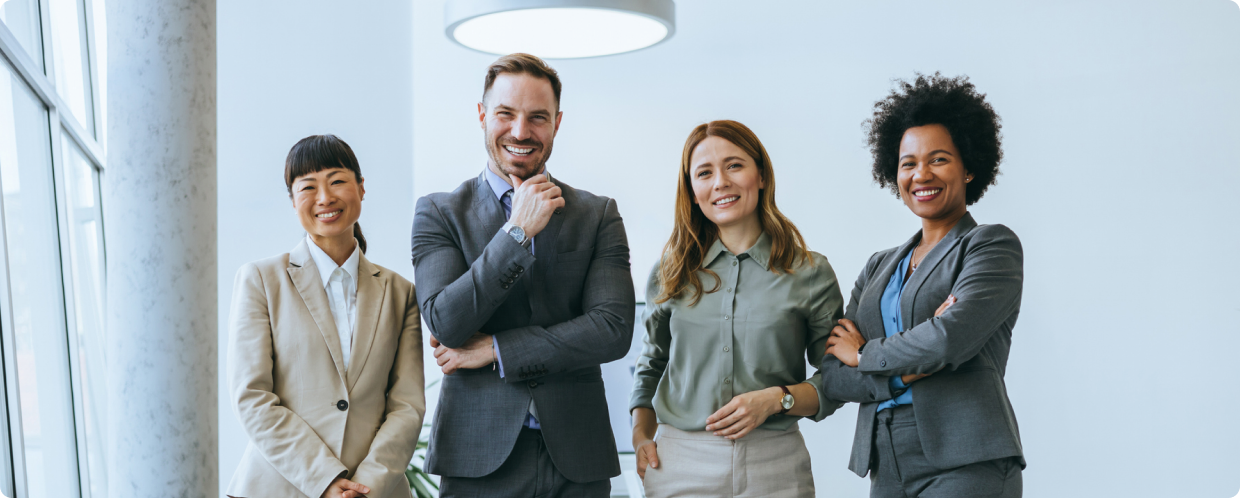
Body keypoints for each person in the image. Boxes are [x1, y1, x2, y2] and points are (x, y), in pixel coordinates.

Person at [410, 53, 635, 497]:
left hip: (578, 457)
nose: (520, 131)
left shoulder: (598, 214)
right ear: (482, 116)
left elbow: (612, 330)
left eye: (537, 117)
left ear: (557, 123)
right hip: (477, 460)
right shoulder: (439, 212)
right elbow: (446, 322)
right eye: (505, 114)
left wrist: (496, 348)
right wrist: (517, 232)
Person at [819, 73, 1025, 497]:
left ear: (969, 167)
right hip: (885, 462)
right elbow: (835, 376)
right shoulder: (878, 266)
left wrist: (865, 354)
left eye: (939, 159)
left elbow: (948, 339)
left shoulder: (989, 245)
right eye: (908, 163)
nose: (921, 174)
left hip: (965, 460)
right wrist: (903, 373)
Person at [630, 120, 845, 498]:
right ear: (692, 191)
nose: (720, 182)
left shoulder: (810, 272)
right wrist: (640, 436)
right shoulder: (670, 272)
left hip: (775, 462)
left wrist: (777, 399)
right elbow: (651, 362)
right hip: (678, 462)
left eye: (734, 165)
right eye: (704, 173)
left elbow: (838, 378)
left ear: (761, 175)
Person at [226, 134, 425, 498]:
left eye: (337, 181)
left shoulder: (400, 293)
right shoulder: (261, 280)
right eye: (308, 187)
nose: (324, 198)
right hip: (279, 488)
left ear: (361, 188)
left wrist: (365, 486)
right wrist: (325, 480)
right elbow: (252, 396)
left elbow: (407, 406)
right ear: (293, 201)